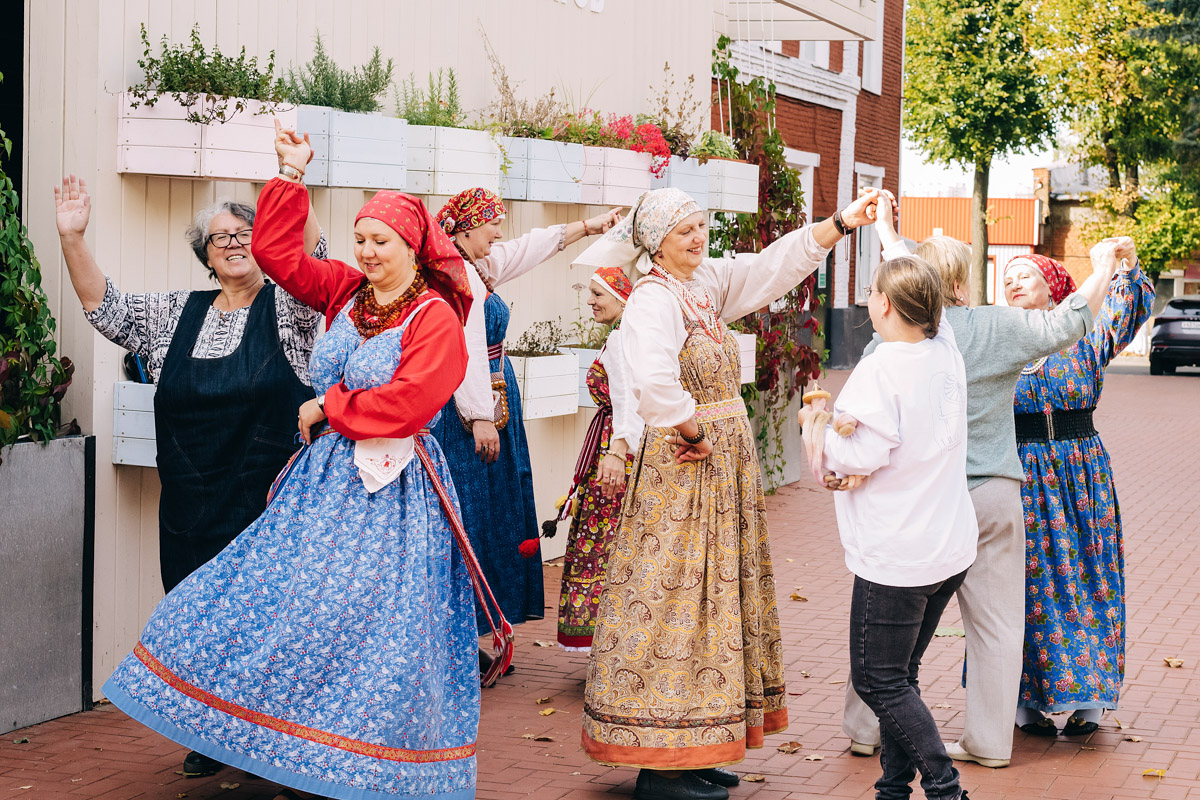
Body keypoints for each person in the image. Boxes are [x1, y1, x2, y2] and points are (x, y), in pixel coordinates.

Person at [101, 121, 481, 800]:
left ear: (414, 248)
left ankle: (362, 759)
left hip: (392, 494)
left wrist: (328, 408)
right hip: (323, 487)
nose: (367, 251)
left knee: (371, 623)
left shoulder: (433, 317)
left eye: (381, 242)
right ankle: (287, 741)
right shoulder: (345, 293)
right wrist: (290, 175)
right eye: (361, 239)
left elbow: (411, 403)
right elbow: (279, 255)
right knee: (283, 606)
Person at [573, 187, 882, 800]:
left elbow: (769, 266)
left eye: (701, 225)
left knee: (715, 602)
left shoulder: (703, 284)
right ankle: (660, 763)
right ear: (656, 241)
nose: (698, 237)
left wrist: (840, 224)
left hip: (716, 474)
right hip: (684, 472)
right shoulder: (653, 301)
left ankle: (698, 745)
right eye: (685, 229)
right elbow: (652, 382)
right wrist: (693, 428)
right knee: (675, 602)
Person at [54, 173, 325, 779]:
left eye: (244, 231)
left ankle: (273, 738)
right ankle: (211, 734)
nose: (232, 243)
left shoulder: (291, 307)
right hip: (191, 501)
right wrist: (73, 240)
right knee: (195, 618)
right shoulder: (176, 312)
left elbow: (322, 259)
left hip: (271, 499)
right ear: (204, 254)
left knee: (269, 621)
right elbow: (108, 309)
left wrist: (292, 184)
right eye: (218, 237)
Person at [841, 192, 1123, 769]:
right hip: (996, 493)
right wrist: (1103, 269)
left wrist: (888, 231)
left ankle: (865, 727)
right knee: (997, 625)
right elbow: (1068, 322)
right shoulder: (998, 327)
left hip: (926, 501)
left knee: (888, 620)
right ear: (962, 283)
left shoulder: (897, 338)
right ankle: (991, 742)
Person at [800, 254, 976, 800]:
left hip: (899, 552)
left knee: (880, 679)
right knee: (902, 675)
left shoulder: (881, 367)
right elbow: (936, 309)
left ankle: (946, 789)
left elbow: (859, 457)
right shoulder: (945, 350)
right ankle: (893, 787)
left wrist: (818, 425)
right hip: (947, 544)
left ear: (884, 303)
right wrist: (891, 238)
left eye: (875, 290)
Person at [428, 188, 620, 673]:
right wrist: (480, 417)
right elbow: (464, 350)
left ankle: (471, 632)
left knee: (489, 511)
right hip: (467, 412)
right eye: (492, 222)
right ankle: (458, 641)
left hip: (491, 399)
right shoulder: (457, 275)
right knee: (470, 514)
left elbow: (528, 248)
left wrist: (586, 227)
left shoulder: (474, 264)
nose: (499, 232)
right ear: (466, 228)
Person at [1003, 247, 1152, 737]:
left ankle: (1089, 699)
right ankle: (1025, 702)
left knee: (1090, 575)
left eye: (1026, 275)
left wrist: (1124, 266)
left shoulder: (1083, 335)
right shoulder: (1000, 340)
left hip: (1080, 474)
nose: (1015, 282)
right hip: (1021, 472)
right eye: (1008, 277)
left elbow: (1125, 312)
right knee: (1026, 585)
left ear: (1055, 285)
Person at [554, 266, 643, 651]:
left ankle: (609, 640)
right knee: (612, 539)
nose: (590, 300)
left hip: (614, 450)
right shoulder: (625, 334)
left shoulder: (624, 338)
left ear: (622, 299)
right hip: (611, 443)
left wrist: (616, 453)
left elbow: (627, 398)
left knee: (604, 540)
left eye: (598, 294)